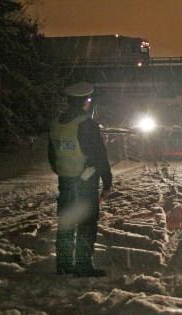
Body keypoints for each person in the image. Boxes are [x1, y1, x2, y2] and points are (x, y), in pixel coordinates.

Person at [48, 81, 112, 277]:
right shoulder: (87, 125)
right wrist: (107, 182)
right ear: (86, 101)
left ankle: (64, 264)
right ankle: (83, 265)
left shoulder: (56, 123)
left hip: (65, 180)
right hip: (85, 182)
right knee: (86, 223)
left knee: (66, 222)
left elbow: (52, 154)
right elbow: (99, 156)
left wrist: (63, 171)